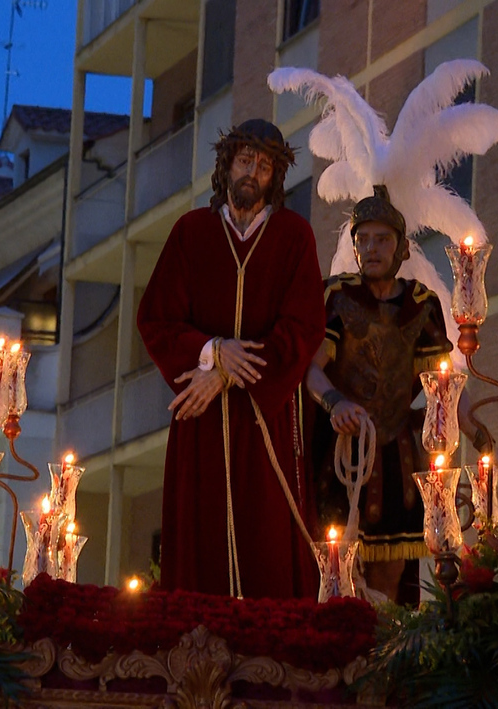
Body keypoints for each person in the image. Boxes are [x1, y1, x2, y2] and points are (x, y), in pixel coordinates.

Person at [137, 119, 325, 599]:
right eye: (245, 161)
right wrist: (212, 353)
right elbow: (157, 319)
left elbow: (303, 325)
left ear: (275, 177)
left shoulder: (293, 237)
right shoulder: (190, 232)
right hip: (199, 420)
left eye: (264, 166)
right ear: (226, 166)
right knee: (200, 540)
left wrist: (225, 373)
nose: (252, 173)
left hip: (267, 418)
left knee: (268, 539)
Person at [304, 186, 491, 604]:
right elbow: (311, 370)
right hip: (342, 450)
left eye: (382, 239)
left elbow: (443, 387)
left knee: (391, 574)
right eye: (363, 239)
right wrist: (335, 403)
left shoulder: (420, 304)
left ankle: (384, 653)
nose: (371, 248)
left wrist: (477, 431)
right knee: (339, 571)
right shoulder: (336, 297)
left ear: (402, 248)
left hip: (397, 454)